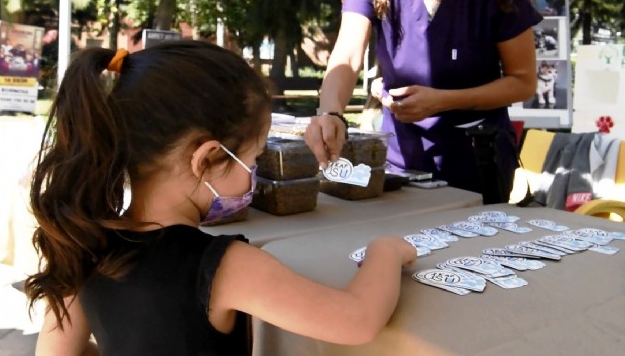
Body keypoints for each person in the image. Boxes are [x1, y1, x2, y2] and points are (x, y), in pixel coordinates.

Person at [25, 40, 417, 356]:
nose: (255, 172)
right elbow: (358, 320)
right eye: (253, 157)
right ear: (209, 157)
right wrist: (386, 251)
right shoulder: (226, 266)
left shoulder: (85, 241)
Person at [305, 0, 543, 204]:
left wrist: (443, 101)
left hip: (479, 164)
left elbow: (522, 82)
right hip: (402, 165)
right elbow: (346, 56)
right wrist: (330, 113)